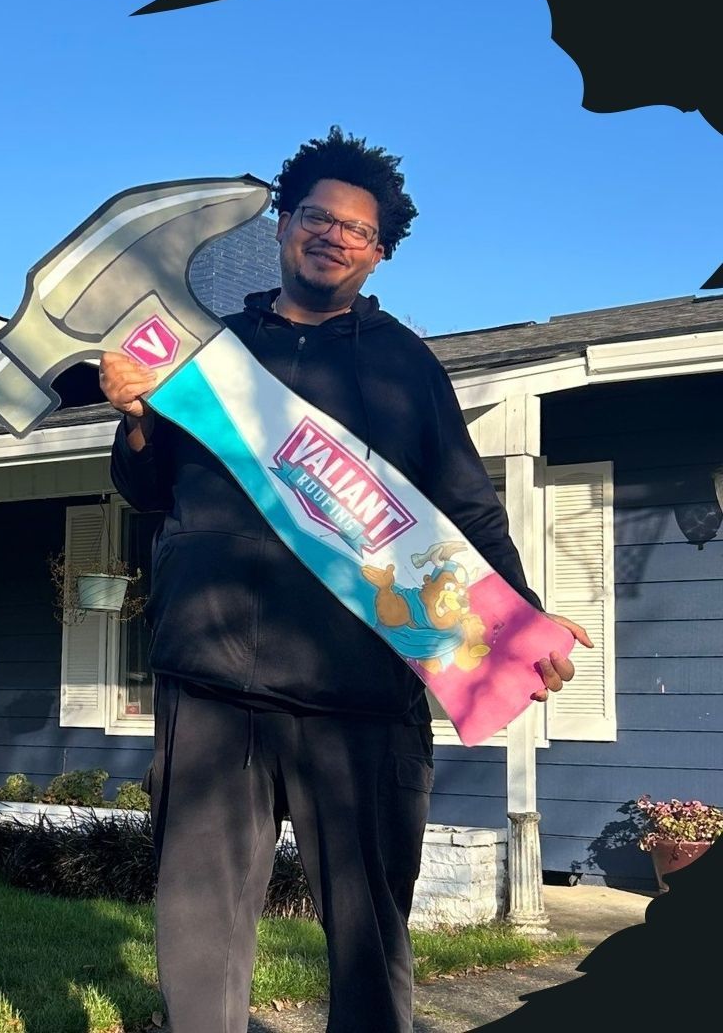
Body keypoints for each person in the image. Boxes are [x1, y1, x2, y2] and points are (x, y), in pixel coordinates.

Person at [103, 127, 591, 1033]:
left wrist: (521, 623)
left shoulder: (406, 365)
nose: (332, 236)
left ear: (378, 254)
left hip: (358, 694)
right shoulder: (212, 354)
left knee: (369, 942)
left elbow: (468, 508)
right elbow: (148, 486)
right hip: (209, 682)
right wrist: (135, 416)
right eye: (317, 216)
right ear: (285, 223)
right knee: (198, 932)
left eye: (357, 229)